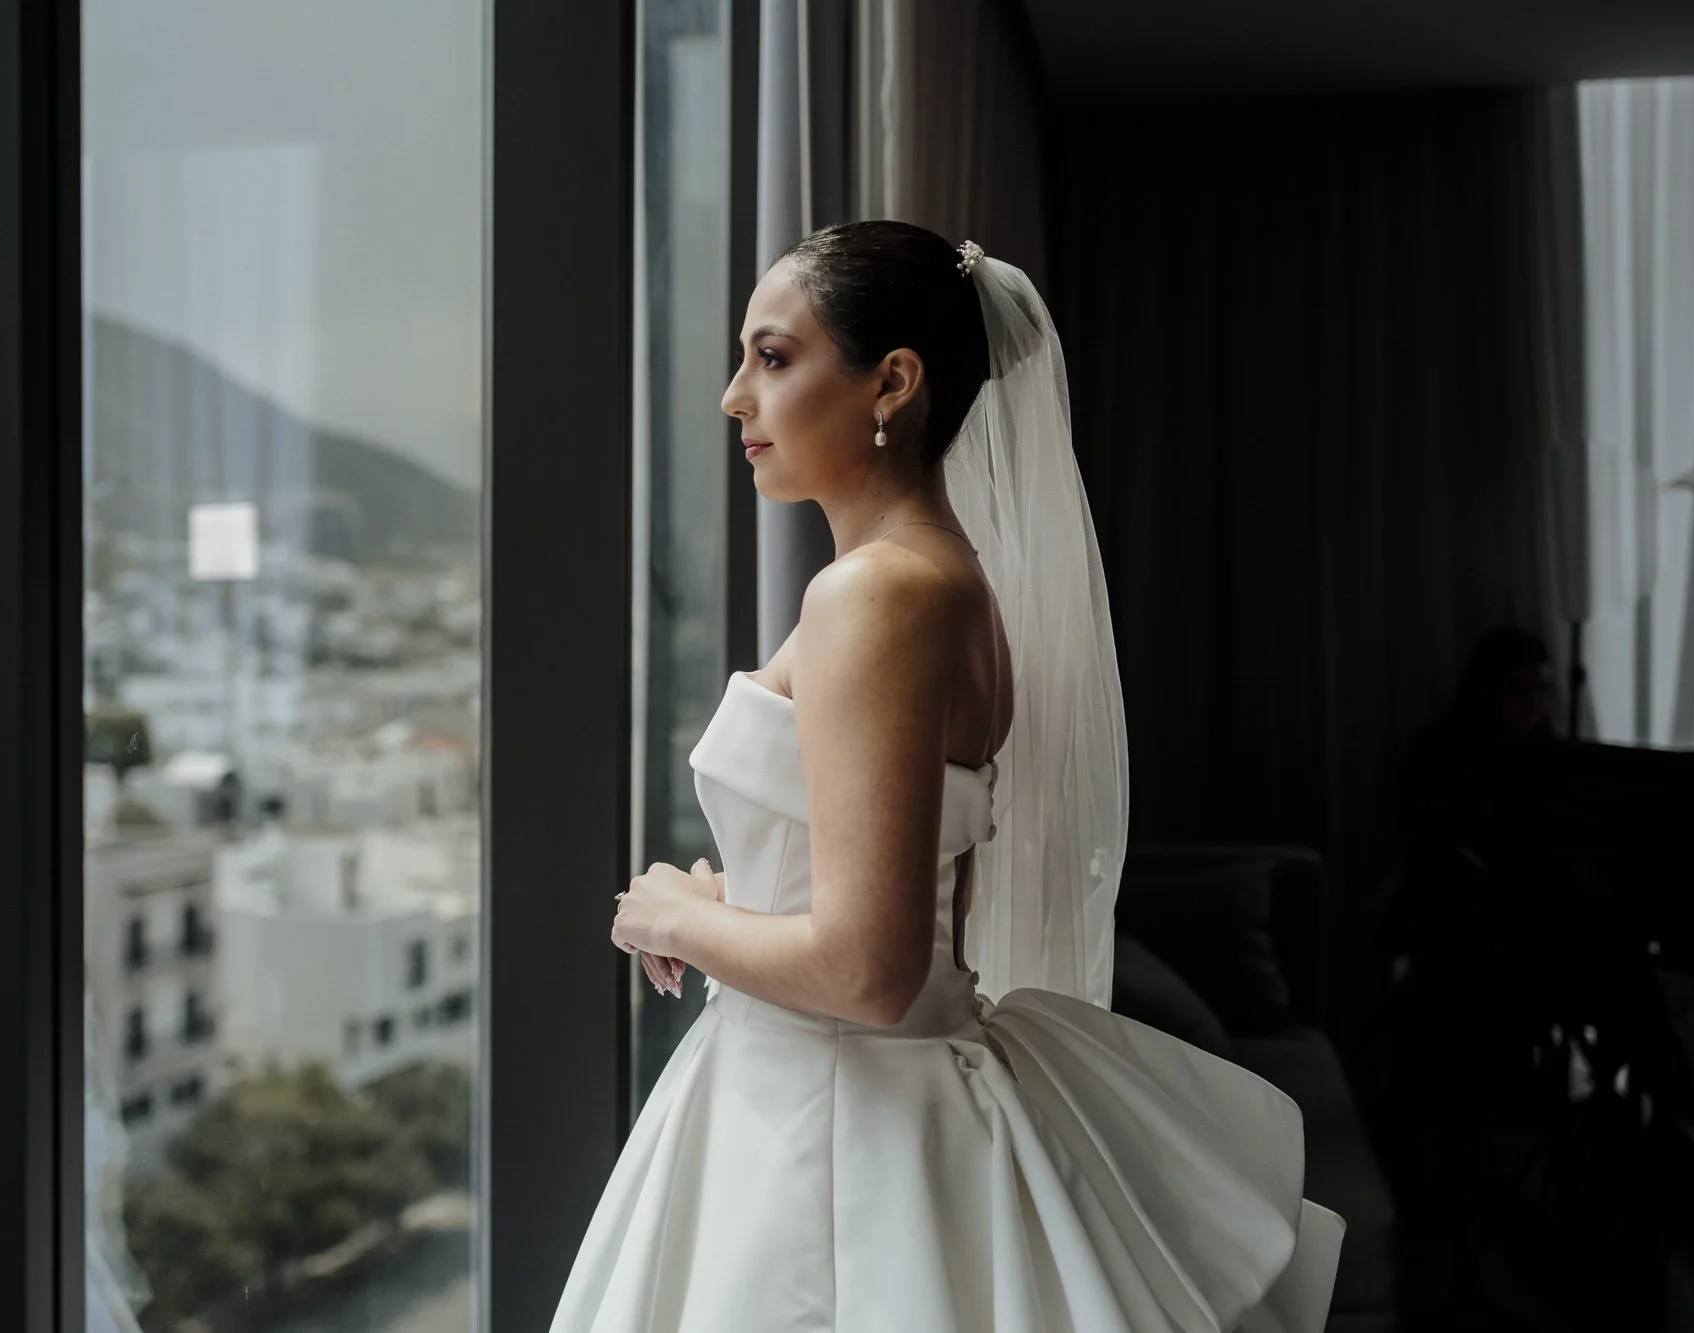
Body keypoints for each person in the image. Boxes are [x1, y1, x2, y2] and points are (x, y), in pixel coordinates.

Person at [552, 221, 1344, 1332]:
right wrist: (736, 901)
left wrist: (669, 911)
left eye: (772, 358)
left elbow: (871, 971)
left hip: (830, 1123)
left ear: (893, 382)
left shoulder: (874, 597)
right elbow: (905, 891)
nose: (735, 397)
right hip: (837, 1100)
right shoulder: (944, 585)